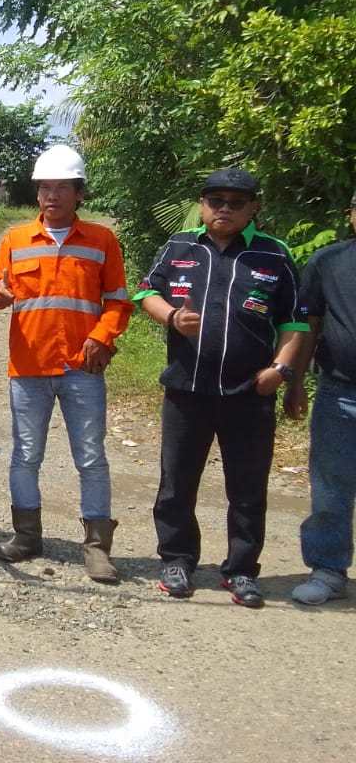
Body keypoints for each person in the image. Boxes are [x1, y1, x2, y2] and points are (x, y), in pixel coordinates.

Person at [135, 167, 307, 607]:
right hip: (186, 390)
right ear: (202, 204)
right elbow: (145, 293)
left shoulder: (274, 255)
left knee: (247, 488)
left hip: (249, 393)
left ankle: (242, 570)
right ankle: (176, 560)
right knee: (176, 482)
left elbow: (293, 321)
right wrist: (171, 316)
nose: (224, 209)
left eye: (235, 202)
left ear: (254, 208)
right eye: (215, 201)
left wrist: (281, 370)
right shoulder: (180, 246)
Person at [0, 145, 133, 583]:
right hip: (29, 365)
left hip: (82, 367)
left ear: (78, 193)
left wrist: (102, 337)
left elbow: (119, 303)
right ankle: (27, 536)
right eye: (45, 187)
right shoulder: (15, 239)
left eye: (62, 187)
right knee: (26, 454)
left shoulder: (101, 240)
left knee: (90, 456)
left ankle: (97, 546)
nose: (52, 195)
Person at [287, 193, 356, 605]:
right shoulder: (329, 262)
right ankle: (328, 570)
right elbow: (309, 324)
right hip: (339, 392)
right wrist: (294, 382)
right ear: (350, 214)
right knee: (331, 486)